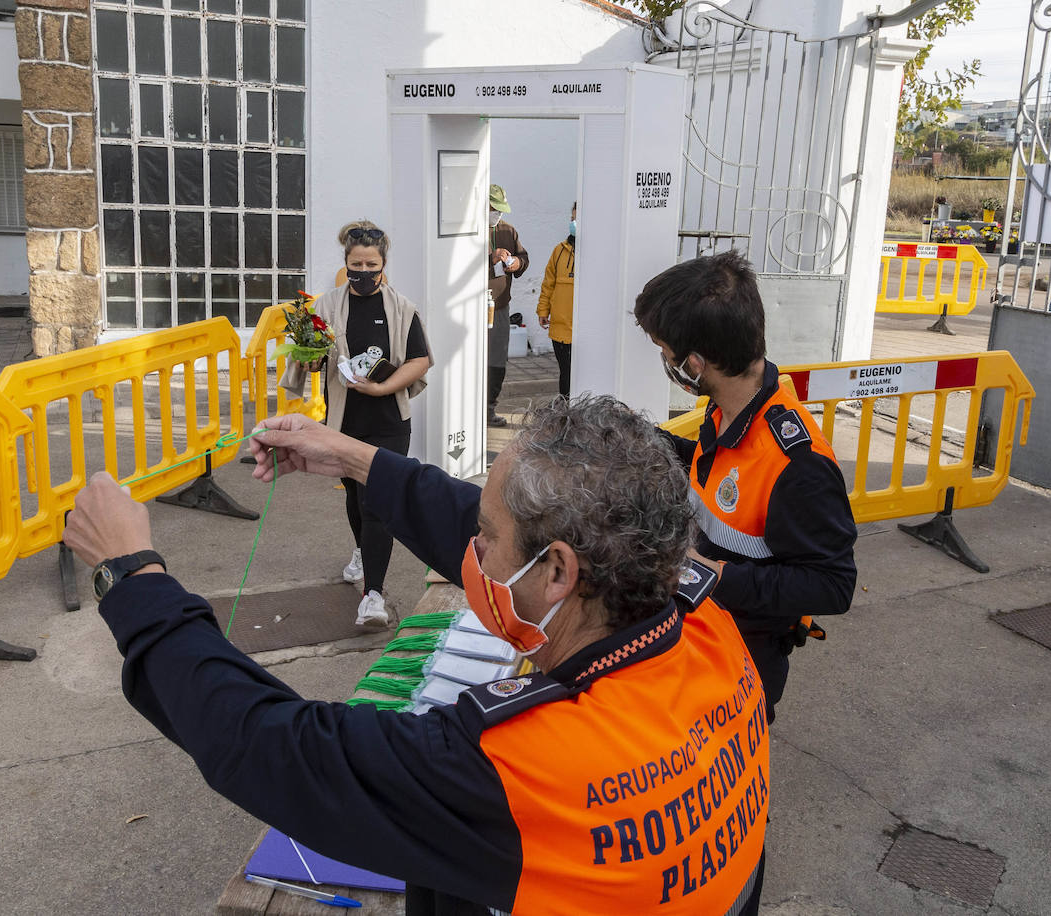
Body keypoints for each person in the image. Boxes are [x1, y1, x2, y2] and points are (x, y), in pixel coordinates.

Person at [63, 396, 768, 915]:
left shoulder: (523, 768)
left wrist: (130, 578)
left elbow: (265, 745)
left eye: (486, 538)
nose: (475, 552)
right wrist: (350, 458)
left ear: (558, 573)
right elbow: (486, 521)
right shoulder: (702, 620)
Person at [634, 251, 857, 723]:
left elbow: (833, 586)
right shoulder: (734, 406)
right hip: (701, 630)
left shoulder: (798, 465)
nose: (664, 362)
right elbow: (715, 472)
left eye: (665, 352)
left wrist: (709, 575)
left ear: (694, 364)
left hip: (744, 659)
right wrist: (647, 440)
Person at [316, 219, 432, 626]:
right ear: (345, 262)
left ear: (384, 264)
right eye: (356, 264)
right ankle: (363, 550)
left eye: (371, 265)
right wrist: (309, 355)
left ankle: (374, 596)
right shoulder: (326, 306)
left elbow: (421, 359)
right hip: (343, 420)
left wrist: (383, 390)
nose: (363, 273)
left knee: (376, 503)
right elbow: (312, 357)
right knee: (355, 495)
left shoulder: (401, 309)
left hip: (388, 422)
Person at [486, 183, 529, 427]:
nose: (498, 214)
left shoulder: (508, 231)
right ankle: (467, 406)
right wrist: (488, 260)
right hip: (471, 309)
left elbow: (524, 258)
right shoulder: (467, 231)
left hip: (500, 307)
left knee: (497, 359)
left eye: (500, 209)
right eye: (493, 208)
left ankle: (489, 408)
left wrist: (517, 264)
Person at [536, 202, 577, 399]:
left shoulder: (598, 254)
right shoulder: (559, 251)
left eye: (579, 219)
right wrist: (543, 311)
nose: (574, 223)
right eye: (572, 219)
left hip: (584, 331)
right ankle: (566, 415)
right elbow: (548, 284)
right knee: (566, 376)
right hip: (560, 329)